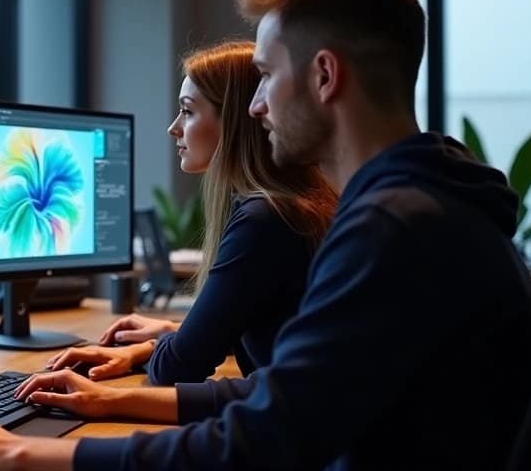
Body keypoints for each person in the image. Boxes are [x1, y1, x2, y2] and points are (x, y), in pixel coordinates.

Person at [0, 0, 531, 470]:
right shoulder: (425, 204)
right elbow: (286, 397)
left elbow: (259, 442)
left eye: (266, 75)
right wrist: (108, 399)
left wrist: (17, 453)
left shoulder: (393, 228)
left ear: (324, 76)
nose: (254, 106)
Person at [45, 41, 337, 384]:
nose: (173, 128)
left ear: (235, 121)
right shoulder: (298, 205)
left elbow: (176, 369)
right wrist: (168, 336)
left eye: (187, 111)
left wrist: (165, 348)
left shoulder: (264, 220)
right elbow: (251, 328)